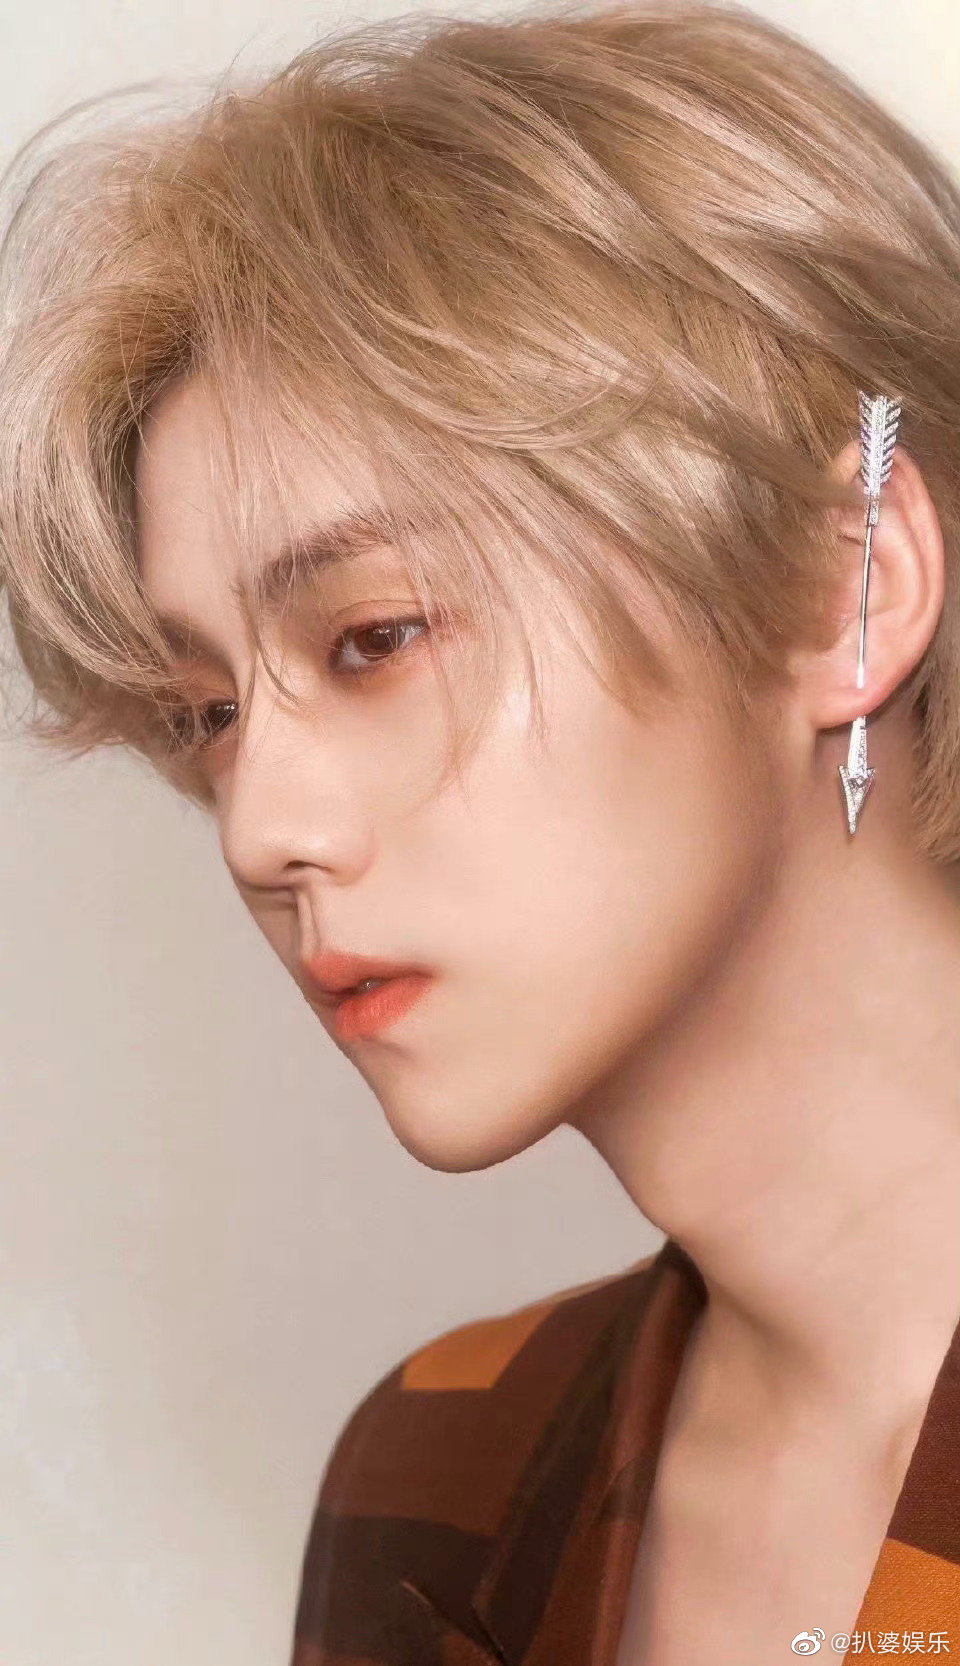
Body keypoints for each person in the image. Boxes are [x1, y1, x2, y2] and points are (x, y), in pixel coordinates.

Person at [1, 2, 958, 1661]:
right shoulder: (439, 1475)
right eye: (207, 711)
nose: (257, 829)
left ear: (842, 590)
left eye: (373, 637)